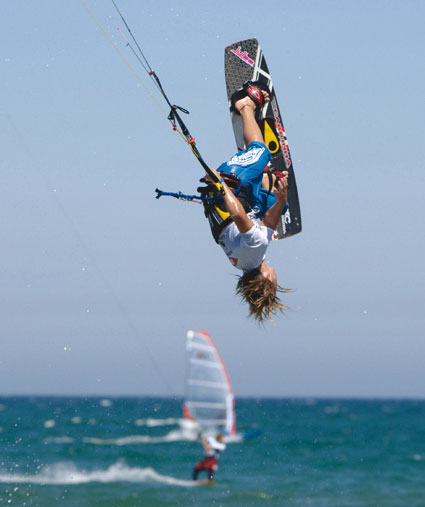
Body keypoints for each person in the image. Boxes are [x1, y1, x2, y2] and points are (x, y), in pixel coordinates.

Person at [200, 82, 290, 323]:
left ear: (268, 278)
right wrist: (280, 201)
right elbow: (268, 224)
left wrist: (221, 185)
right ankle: (264, 179)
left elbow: (239, 217)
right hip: (236, 201)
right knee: (278, 201)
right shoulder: (243, 262)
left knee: (261, 152)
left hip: (229, 189)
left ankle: (245, 105)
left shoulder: (256, 250)